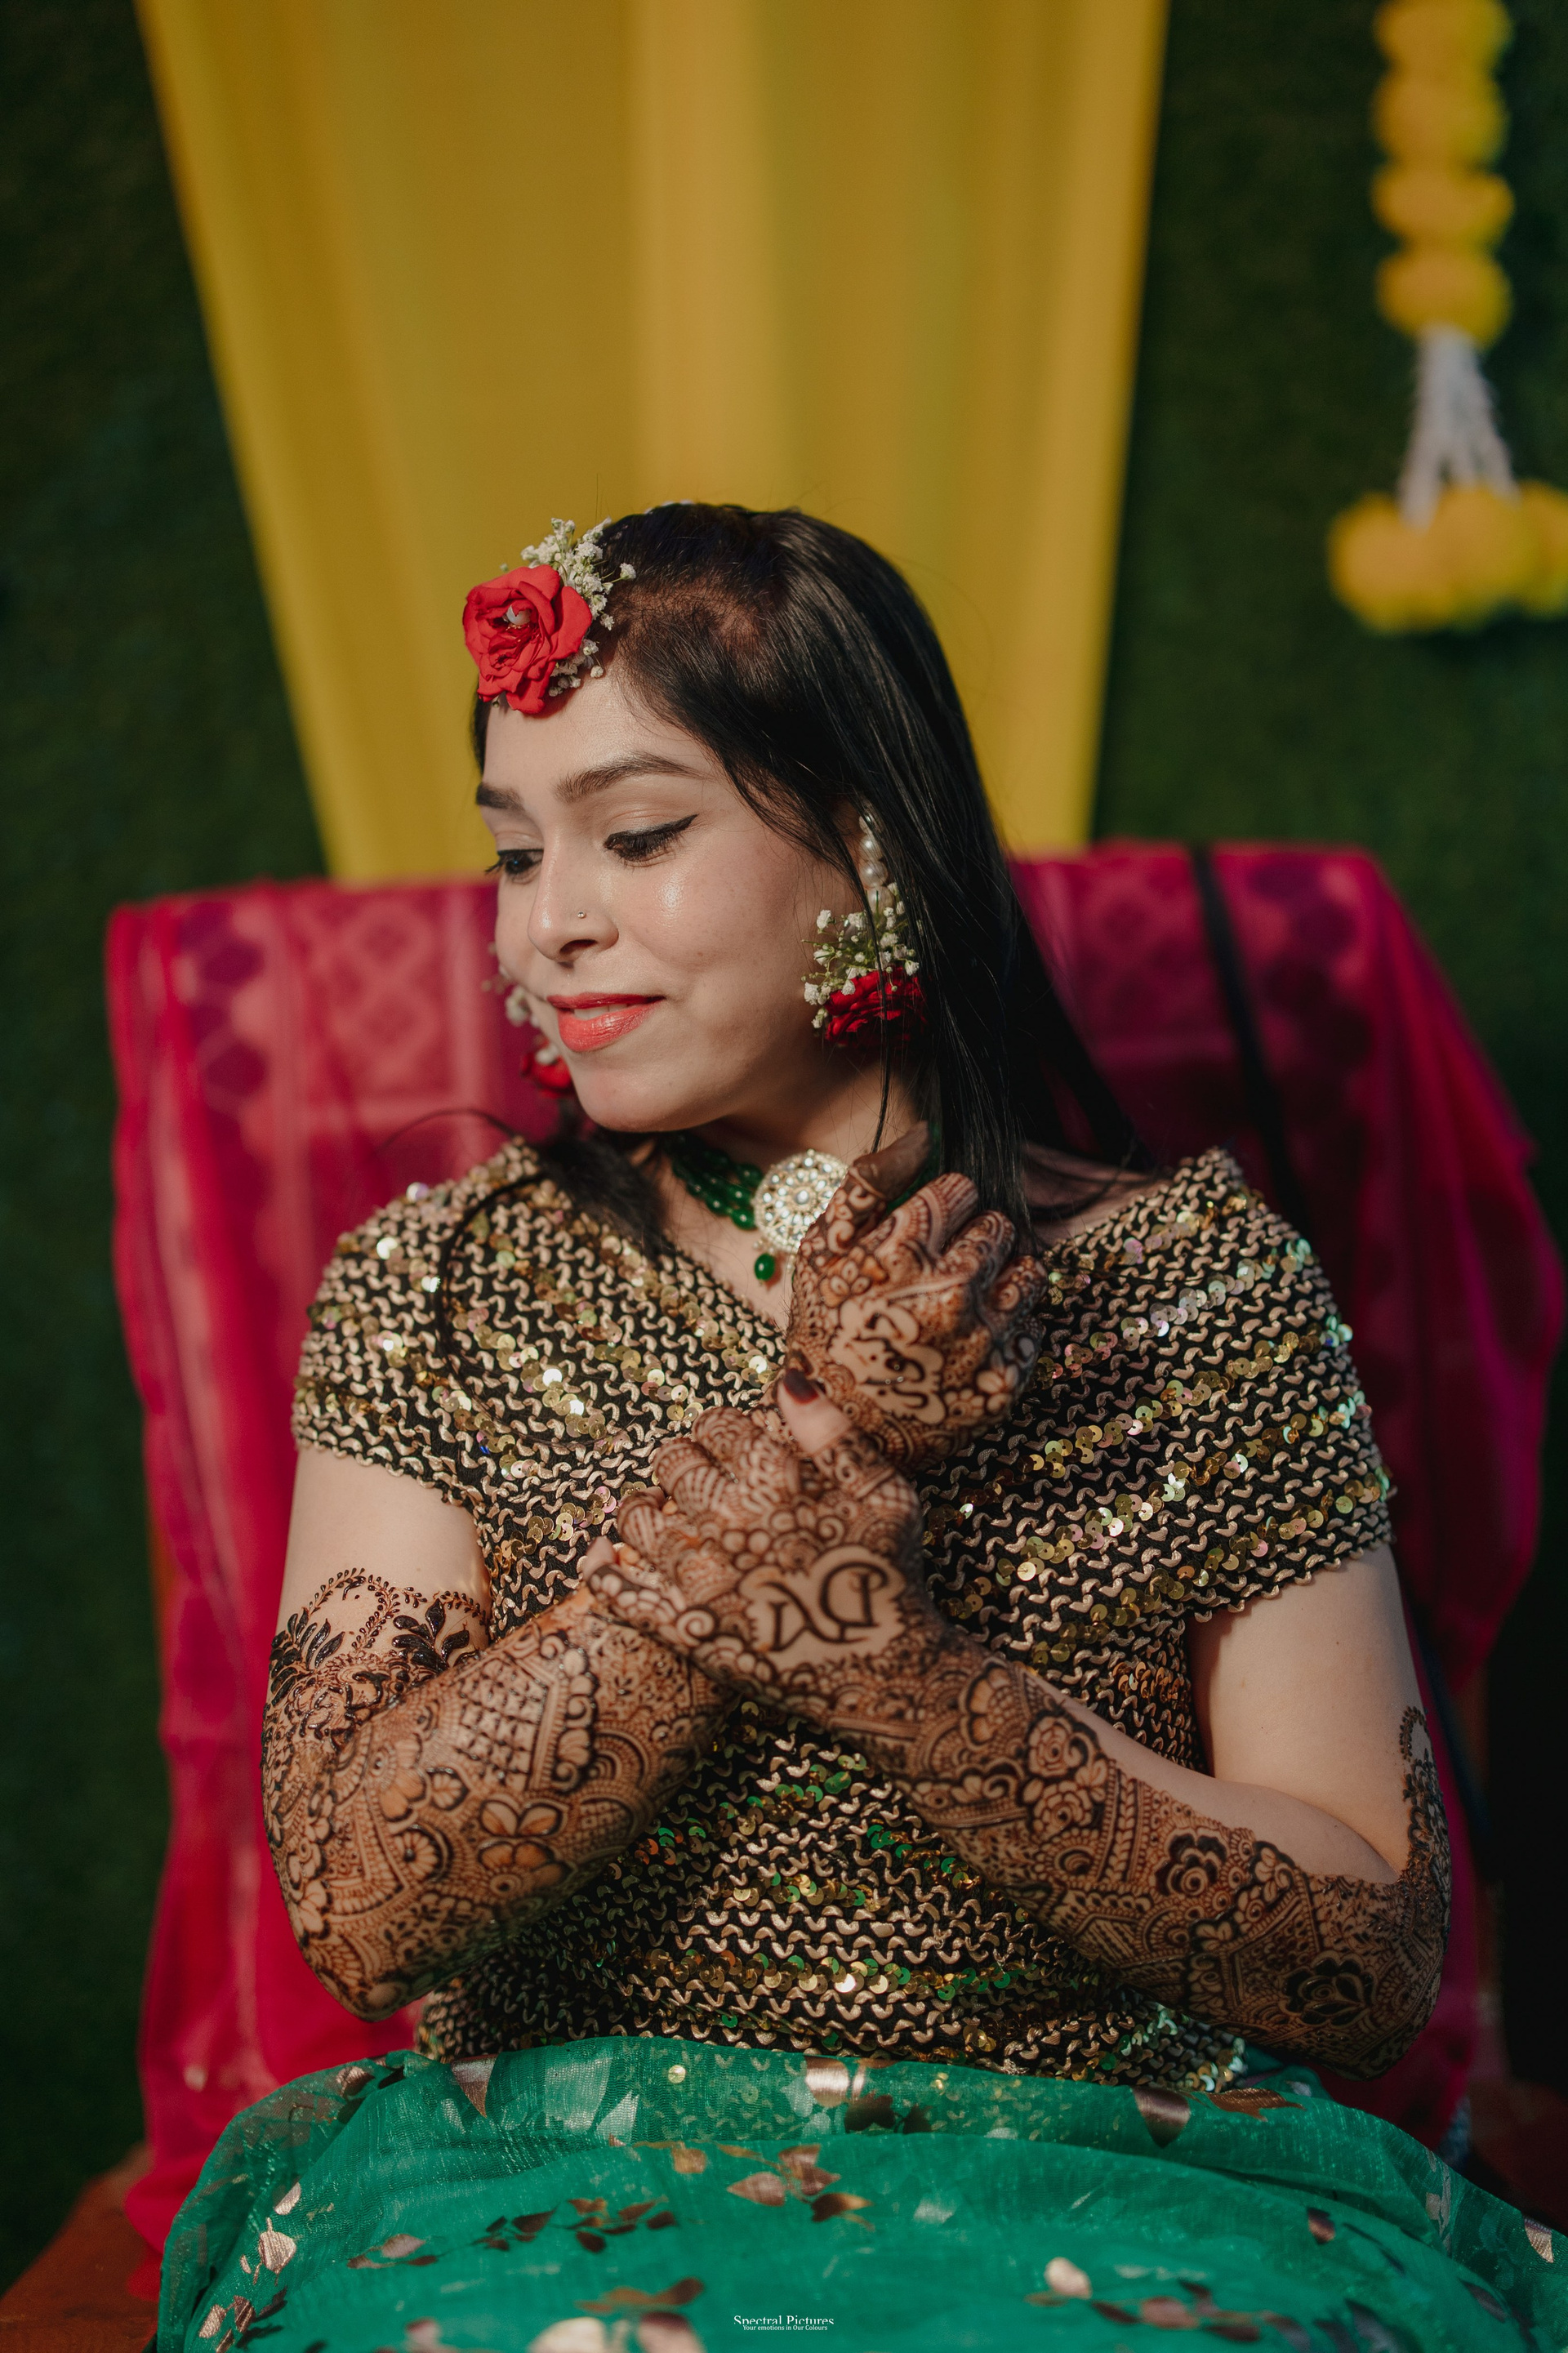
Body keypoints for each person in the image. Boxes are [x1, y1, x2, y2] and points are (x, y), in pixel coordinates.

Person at [158, 507, 1561, 2353]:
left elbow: (1365, 1960)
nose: (547, 921)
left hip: (1113, 2175)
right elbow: (358, 1901)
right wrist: (812, 1460)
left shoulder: (1189, 1287)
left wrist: (896, 1668)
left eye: (636, 835)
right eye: (513, 849)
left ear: (874, 847)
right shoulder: (441, 1288)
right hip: (543, 2189)